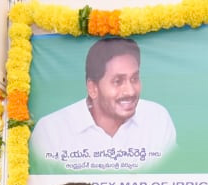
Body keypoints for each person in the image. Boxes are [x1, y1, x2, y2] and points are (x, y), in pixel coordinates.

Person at [31, 36, 176, 171]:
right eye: (118, 81)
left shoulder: (157, 119)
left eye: (134, 79)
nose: (130, 91)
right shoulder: (50, 131)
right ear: (92, 88)